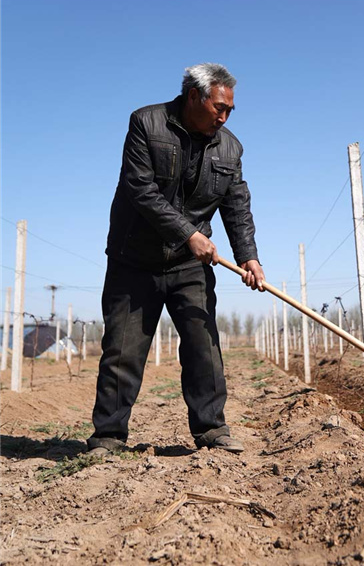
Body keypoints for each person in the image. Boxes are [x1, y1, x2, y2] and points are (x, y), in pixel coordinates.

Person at [87, 63, 265, 457]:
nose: (224, 116)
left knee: (204, 345)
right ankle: (108, 437)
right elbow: (140, 190)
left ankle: (212, 430)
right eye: (219, 107)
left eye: (229, 110)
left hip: (191, 266)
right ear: (192, 97)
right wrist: (189, 234)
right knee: (123, 350)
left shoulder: (230, 148)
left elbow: (237, 206)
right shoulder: (146, 124)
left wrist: (249, 257)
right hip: (134, 260)